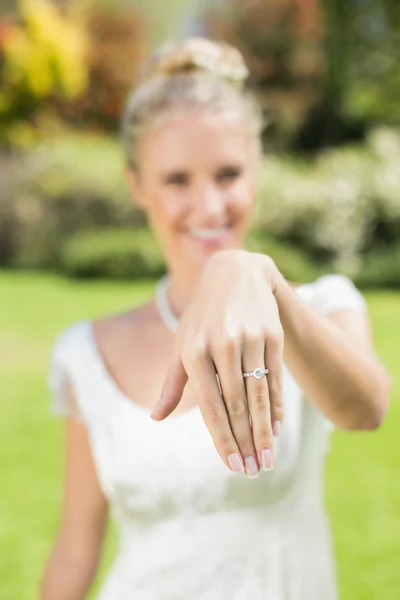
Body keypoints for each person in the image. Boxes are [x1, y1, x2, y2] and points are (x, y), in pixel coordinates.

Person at [41, 38, 390, 600]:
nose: (208, 207)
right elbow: (76, 546)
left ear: (255, 171)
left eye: (228, 174)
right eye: (177, 180)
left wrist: (259, 280)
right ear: (137, 186)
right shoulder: (86, 353)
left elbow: (366, 408)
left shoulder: (323, 305)